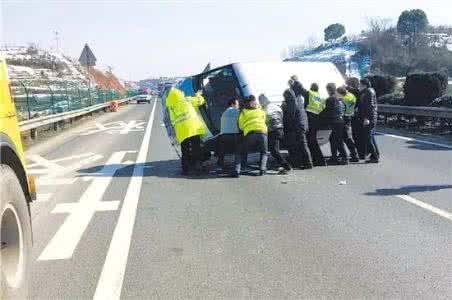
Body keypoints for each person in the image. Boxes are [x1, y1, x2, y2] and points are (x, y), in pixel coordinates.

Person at [165, 87, 207, 175]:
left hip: (181, 130)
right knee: (196, 148)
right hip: (193, 127)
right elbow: (200, 101)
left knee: (185, 150)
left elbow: (171, 120)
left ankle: (185, 169)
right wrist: (198, 94)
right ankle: (198, 168)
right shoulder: (187, 100)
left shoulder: (171, 107)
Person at [234, 95, 268, 177]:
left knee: (239, 151)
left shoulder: (243, 111)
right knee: (264, 152)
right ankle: (262, 169)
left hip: (250, 133)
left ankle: (237, 170)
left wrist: (246, 128)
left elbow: (241, 125)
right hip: (262, 132)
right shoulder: (260, 110)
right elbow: (264, 120)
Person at [282, 88, 313, 169]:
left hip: (297, 127)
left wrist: (283, 108)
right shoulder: (297, 102)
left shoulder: (291, 104)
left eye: (284, 96)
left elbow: (289, 117)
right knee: (303, 145)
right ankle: (306, 162)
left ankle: (306, 163)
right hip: (303, 126)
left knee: (300, 146)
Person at [259, 94, 291, 172]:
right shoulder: (276, 106)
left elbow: (264, 120)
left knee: (273, 150)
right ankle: (279, 164)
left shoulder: (264, 109)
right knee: (277, 149)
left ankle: (286, 165)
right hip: (280, 129)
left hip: (272, 130)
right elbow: (281, 115)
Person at [321, 83, 348, 165]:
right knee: (333, 139)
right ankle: (334, 157)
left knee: (337, 140)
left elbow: (327, 111)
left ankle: (344, 158)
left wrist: (319, 116)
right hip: (340, 121)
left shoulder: (330, 99)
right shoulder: (339, 99)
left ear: (329, 90)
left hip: (335, 122)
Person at [302, 83, 327, 166]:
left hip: (310, 119)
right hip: (317, 120)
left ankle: (320, 160)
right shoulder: (321, 97)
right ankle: (318, 160)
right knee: (312, 140)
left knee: (312, 141)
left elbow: (302, 91)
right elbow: (323, 109)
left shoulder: (310, 93)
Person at [358, 78, 380, 163]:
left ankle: (375, 157)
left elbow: (369, 106)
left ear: (364, 85)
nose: (359, 86)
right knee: (371, 137)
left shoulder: (368, 92)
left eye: (360, 84)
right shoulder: (369, 91)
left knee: (368, 138)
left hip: (370, 118)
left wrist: (366, 118)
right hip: (372, 117)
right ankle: (376, 154)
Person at [336, 87, 359, 162]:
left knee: (346, 138)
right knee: (347, 137)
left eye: (337, 93)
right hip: (350, 116)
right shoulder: (351, 96)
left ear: (340, 93)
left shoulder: (343, 100)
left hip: (344, 118)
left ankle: (354, 155)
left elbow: (341, 110)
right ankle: (353, 154)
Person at [217, 98, 240, 171]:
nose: (238, 106)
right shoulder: (234, 110)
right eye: (237, 104)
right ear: (232, 104)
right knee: (238, 151)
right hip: (233, 135)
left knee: (222, 152)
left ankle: (220, 166)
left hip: (223, 136)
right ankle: (238, 167)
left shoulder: (224, 112)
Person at [346, 78, 365, 159]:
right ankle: (360, 152)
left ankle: (360, 153)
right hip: (357, 116)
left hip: (356, 116)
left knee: (357, 135)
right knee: (356, 135)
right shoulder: (358, 92)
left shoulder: (356, 92)